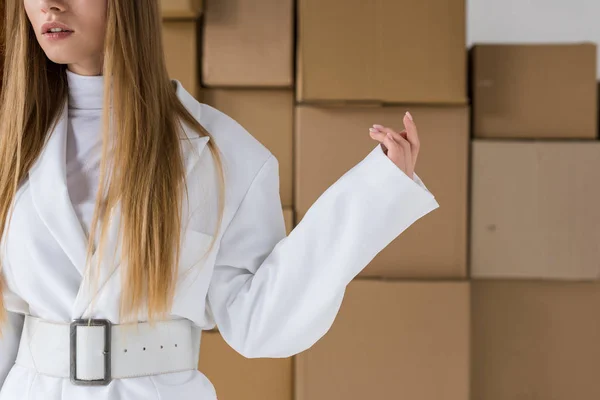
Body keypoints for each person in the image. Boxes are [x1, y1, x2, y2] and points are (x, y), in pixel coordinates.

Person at [0, 0, 439, 399]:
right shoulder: (10, 144)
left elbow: (259, 324)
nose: (48, 5)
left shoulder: (221, 152)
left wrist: (369, 197)